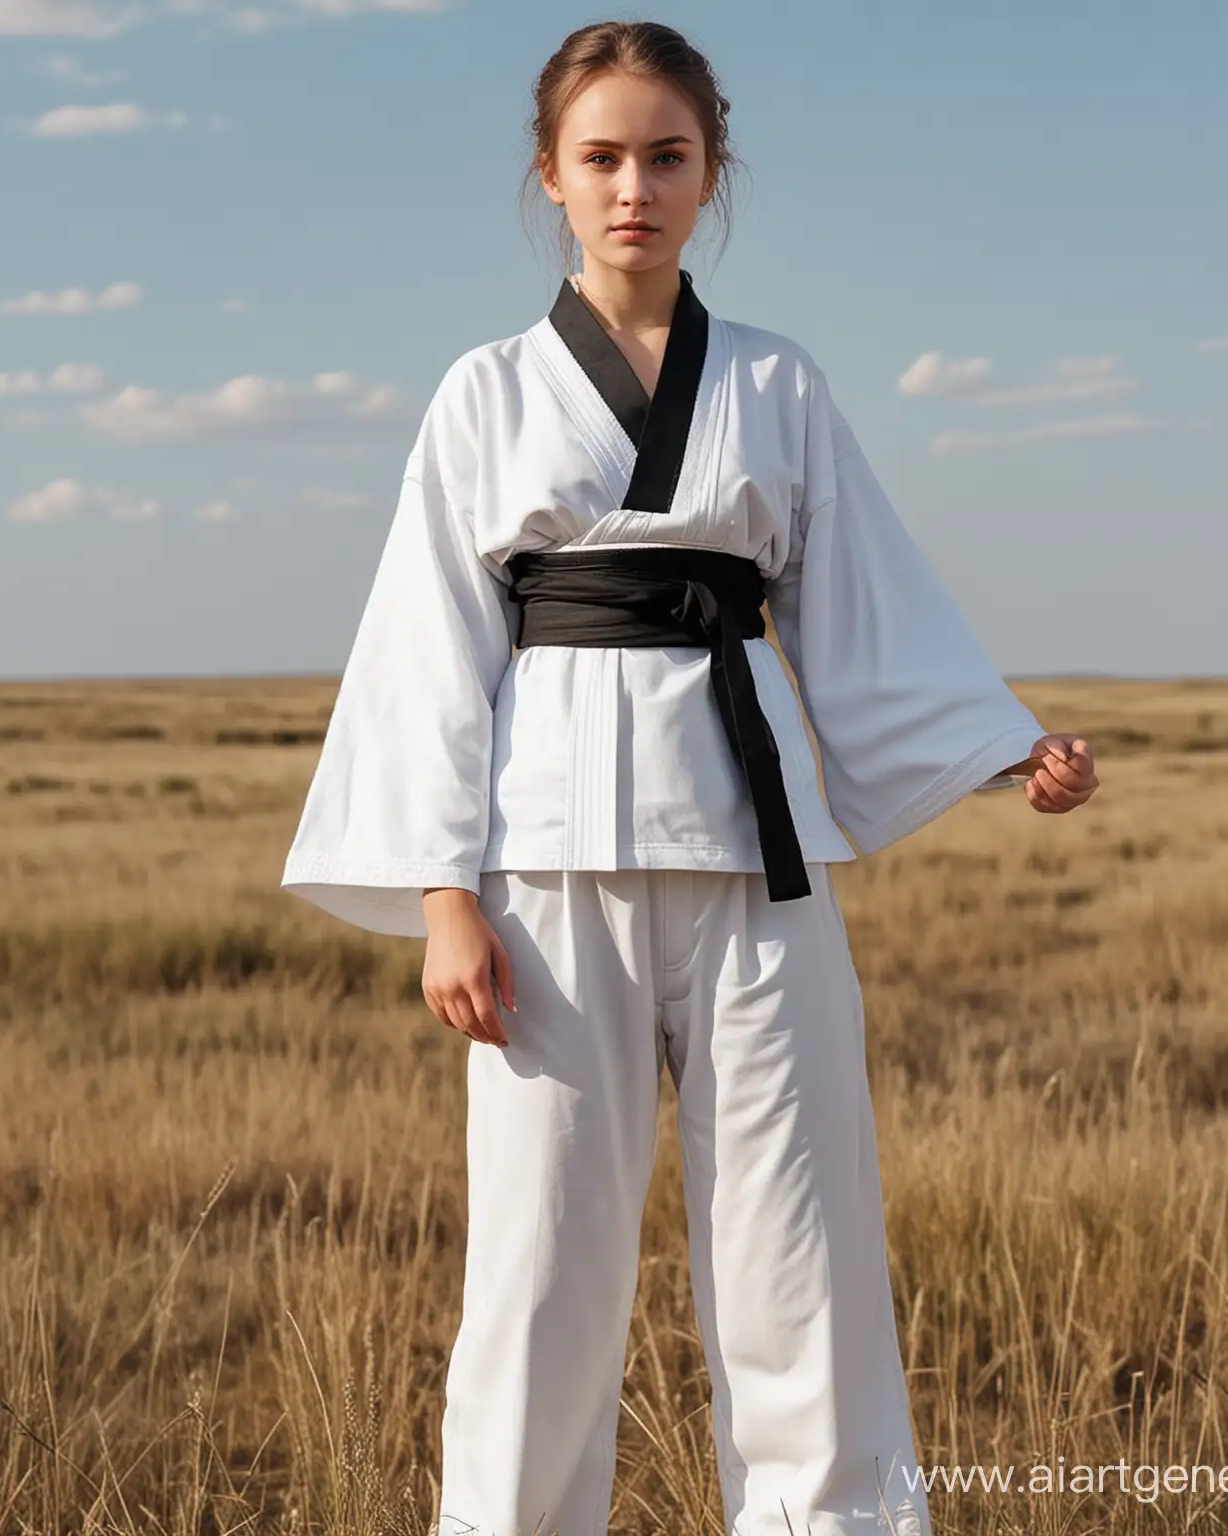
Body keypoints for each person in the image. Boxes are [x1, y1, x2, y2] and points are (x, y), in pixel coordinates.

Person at [280, 19, 1099, 1535]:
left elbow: (865, 606)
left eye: (666, 156)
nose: (634, 187)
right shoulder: (486, 393)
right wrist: (443, 898)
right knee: (539, 1277)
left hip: (757, 869)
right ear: (550, 177)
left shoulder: (779, 385)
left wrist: (999, 744)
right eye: (601, 158)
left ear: (710, 172)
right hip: (549, 878)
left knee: (807, 1263)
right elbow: (428, 649)